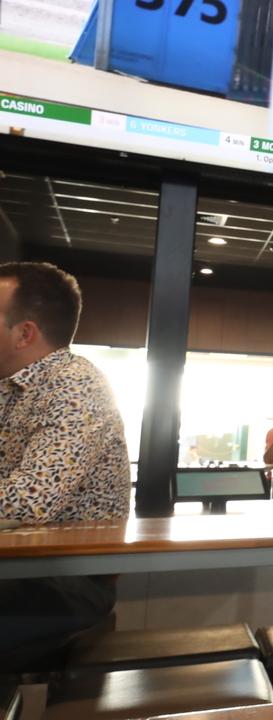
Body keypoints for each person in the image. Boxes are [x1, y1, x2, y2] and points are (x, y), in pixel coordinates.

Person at [0, 262, 131, 669]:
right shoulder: (11, 388)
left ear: (25, 333)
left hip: (65, 580)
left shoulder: (74, 385)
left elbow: (27, 502)